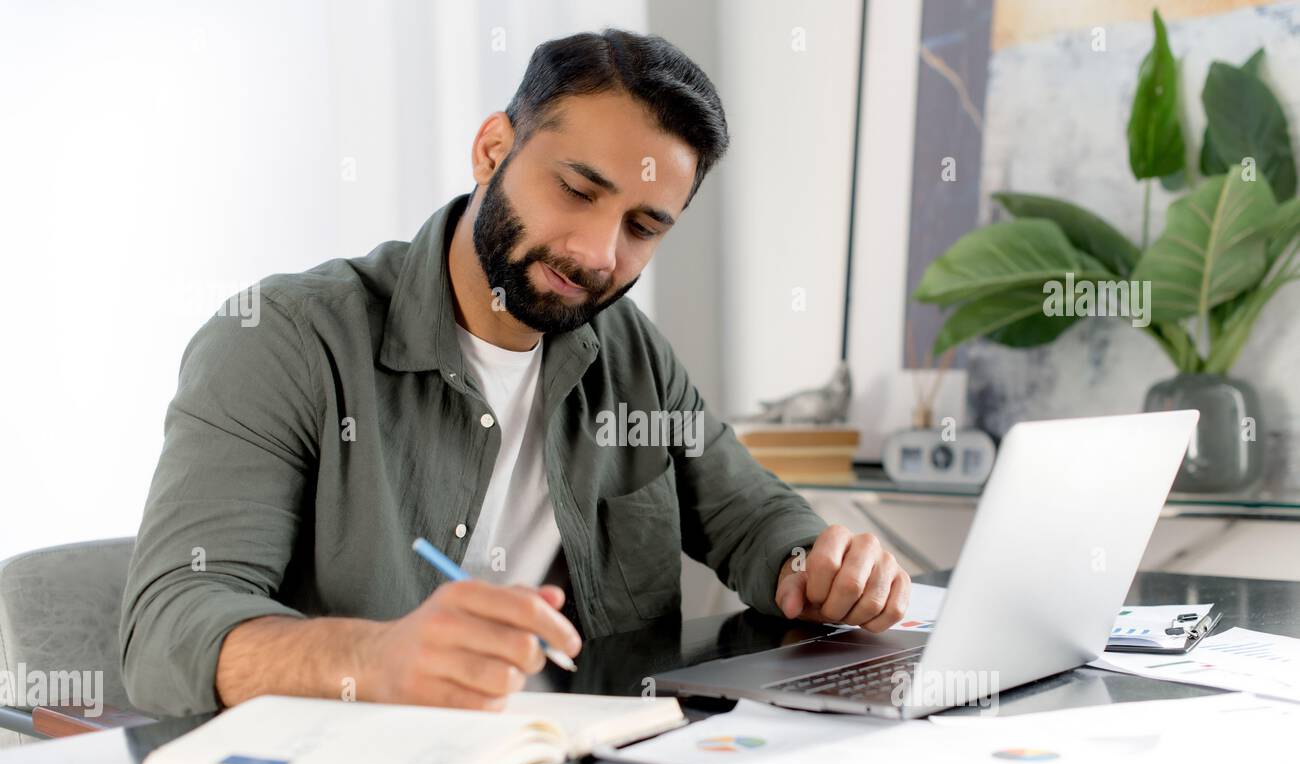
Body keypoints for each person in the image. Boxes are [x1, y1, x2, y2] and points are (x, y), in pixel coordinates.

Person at [120, 29, 910, 717]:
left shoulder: (627, 350)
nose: (597, 254)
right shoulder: (284, 340)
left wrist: (824, 564)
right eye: (576, 190)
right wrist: (372, 659)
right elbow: (168, 625)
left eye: (641, 227)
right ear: (492, 148)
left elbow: (750, 517)